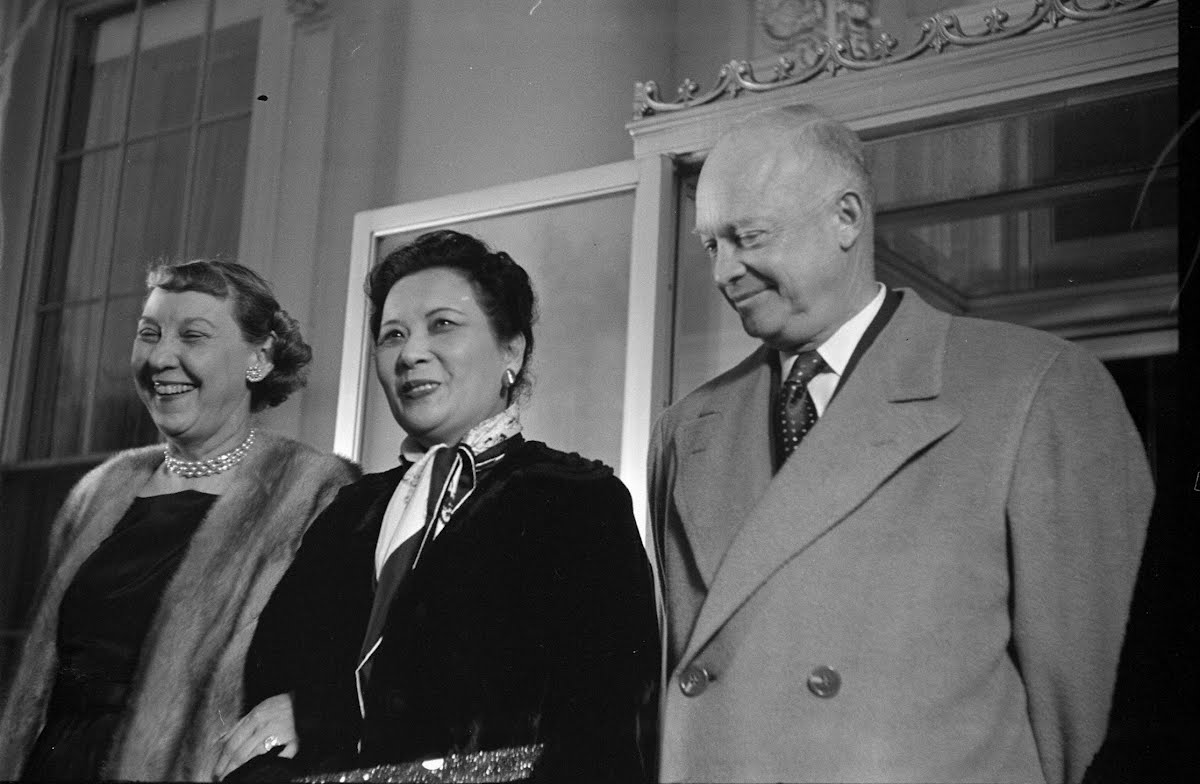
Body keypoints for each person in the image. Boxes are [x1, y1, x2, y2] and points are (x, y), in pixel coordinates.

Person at [648, 106, 1153, 783]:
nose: (723, 272)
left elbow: (1091, 707)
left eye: (749, 237)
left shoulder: (1036, 387)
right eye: (711, 245)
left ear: (846, 219)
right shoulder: (685, 431)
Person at [217, 230, 658, 782]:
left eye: (442, 325)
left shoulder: (574, 498)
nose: (410, 353)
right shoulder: (349, 510)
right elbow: (269, 687)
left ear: (512, 351)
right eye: (391, 334)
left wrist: (329, 714)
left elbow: (605, 727)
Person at [0, 259, 358, 781]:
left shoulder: (315, 492)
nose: (160, 357)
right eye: (150, 334)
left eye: (193, 336)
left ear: (257, 359)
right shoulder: (99, 491)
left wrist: (306, 708)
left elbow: (341, 666)